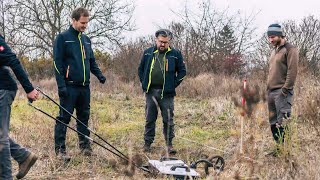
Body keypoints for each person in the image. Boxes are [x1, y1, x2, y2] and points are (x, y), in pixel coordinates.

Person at [53, 7, 106, 159]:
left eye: (86, 23)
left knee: (84, 117)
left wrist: (99, 75)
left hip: (84, 87)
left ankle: (85, 147)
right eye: (82, 22)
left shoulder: (86, 40)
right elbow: (57, 63)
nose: (85, 25)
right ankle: (60, 150)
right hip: (69, 87)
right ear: (74, 20)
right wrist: (61, 85)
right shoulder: (63, 38)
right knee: (64, 118)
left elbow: (91, 61)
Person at [138, 29, 186, 154]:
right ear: (156, 40)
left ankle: (169, 145)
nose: (163, 44)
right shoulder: (148, 53)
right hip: (151, 92)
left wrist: (173, 84)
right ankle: (147, 144)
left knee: (168, 119)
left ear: (169, 42)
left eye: (165, 42)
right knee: (150, 118)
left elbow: (182, 71)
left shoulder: (175, 54)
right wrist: (144, 83)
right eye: (160, 42)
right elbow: (140, 69)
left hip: (167, 94)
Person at [0, 34, 39, 179]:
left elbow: (12, 60)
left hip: (3, 89)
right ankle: (23, 156)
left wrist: (29, 88)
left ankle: (5, 177)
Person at [266, 24, 299, 153]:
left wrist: (285, 90)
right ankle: (278, 149)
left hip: (282, 92)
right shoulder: (274, 51)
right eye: (269, 37)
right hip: (271, 92)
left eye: (273, 37)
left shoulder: (290, 49)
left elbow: (292, 72)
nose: (271, 40)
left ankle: (287, 151)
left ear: (280, 35)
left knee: (283, 122)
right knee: (273, 122)